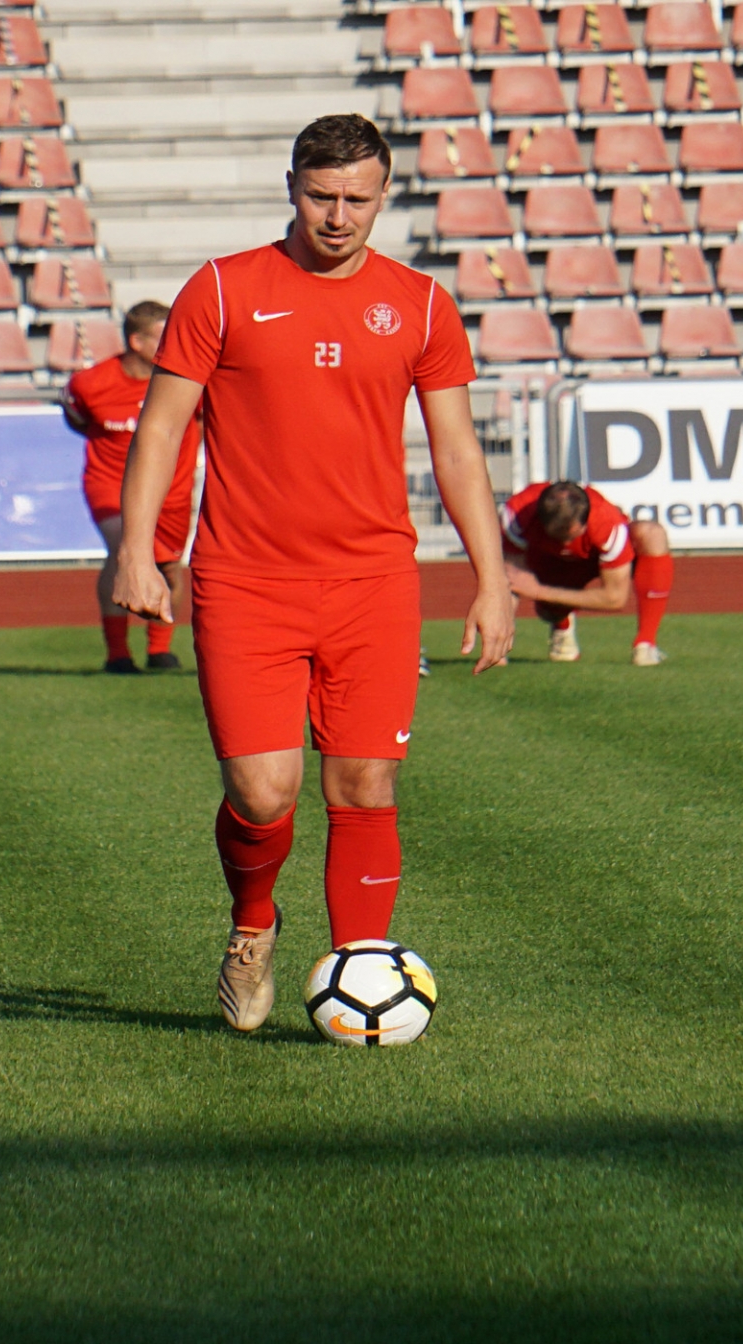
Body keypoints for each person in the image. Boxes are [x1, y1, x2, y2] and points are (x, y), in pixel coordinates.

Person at [111, 113, 515, 1033]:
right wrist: (138, 549)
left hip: (374, 583)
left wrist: (493, 581)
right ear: (290, 187)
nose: (338, 217)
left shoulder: (420, 304)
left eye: (357, 200)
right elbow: (163, 426)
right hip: (245, 580)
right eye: (321, 196)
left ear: (384, 197)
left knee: (365, 784)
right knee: (263, 793)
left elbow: (457, 450)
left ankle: (359, 975)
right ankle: (253, 923)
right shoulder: (222, 289)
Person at [62, 300, 203, 673]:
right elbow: (77, 419)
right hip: (110, 483)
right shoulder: (90, 384)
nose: (175, 343)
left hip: (172, 490)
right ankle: (118, 653)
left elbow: (202, 420)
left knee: (169, 567)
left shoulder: (188, 380)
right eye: (164, 336)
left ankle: (159, 649)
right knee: (123, 549)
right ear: (137, 341)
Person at [500, 481, 674, 666]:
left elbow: (615, 598)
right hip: (544, 561)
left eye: (571, 536)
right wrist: (498, 646)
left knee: (651, 534)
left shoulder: (605, 522)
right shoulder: (517, 514)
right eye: (558, 537)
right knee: (549, 612)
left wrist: (538, 591)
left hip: (592, 561)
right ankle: (562, 623)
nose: (566, 544)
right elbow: (510, 580)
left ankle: (645, 644)